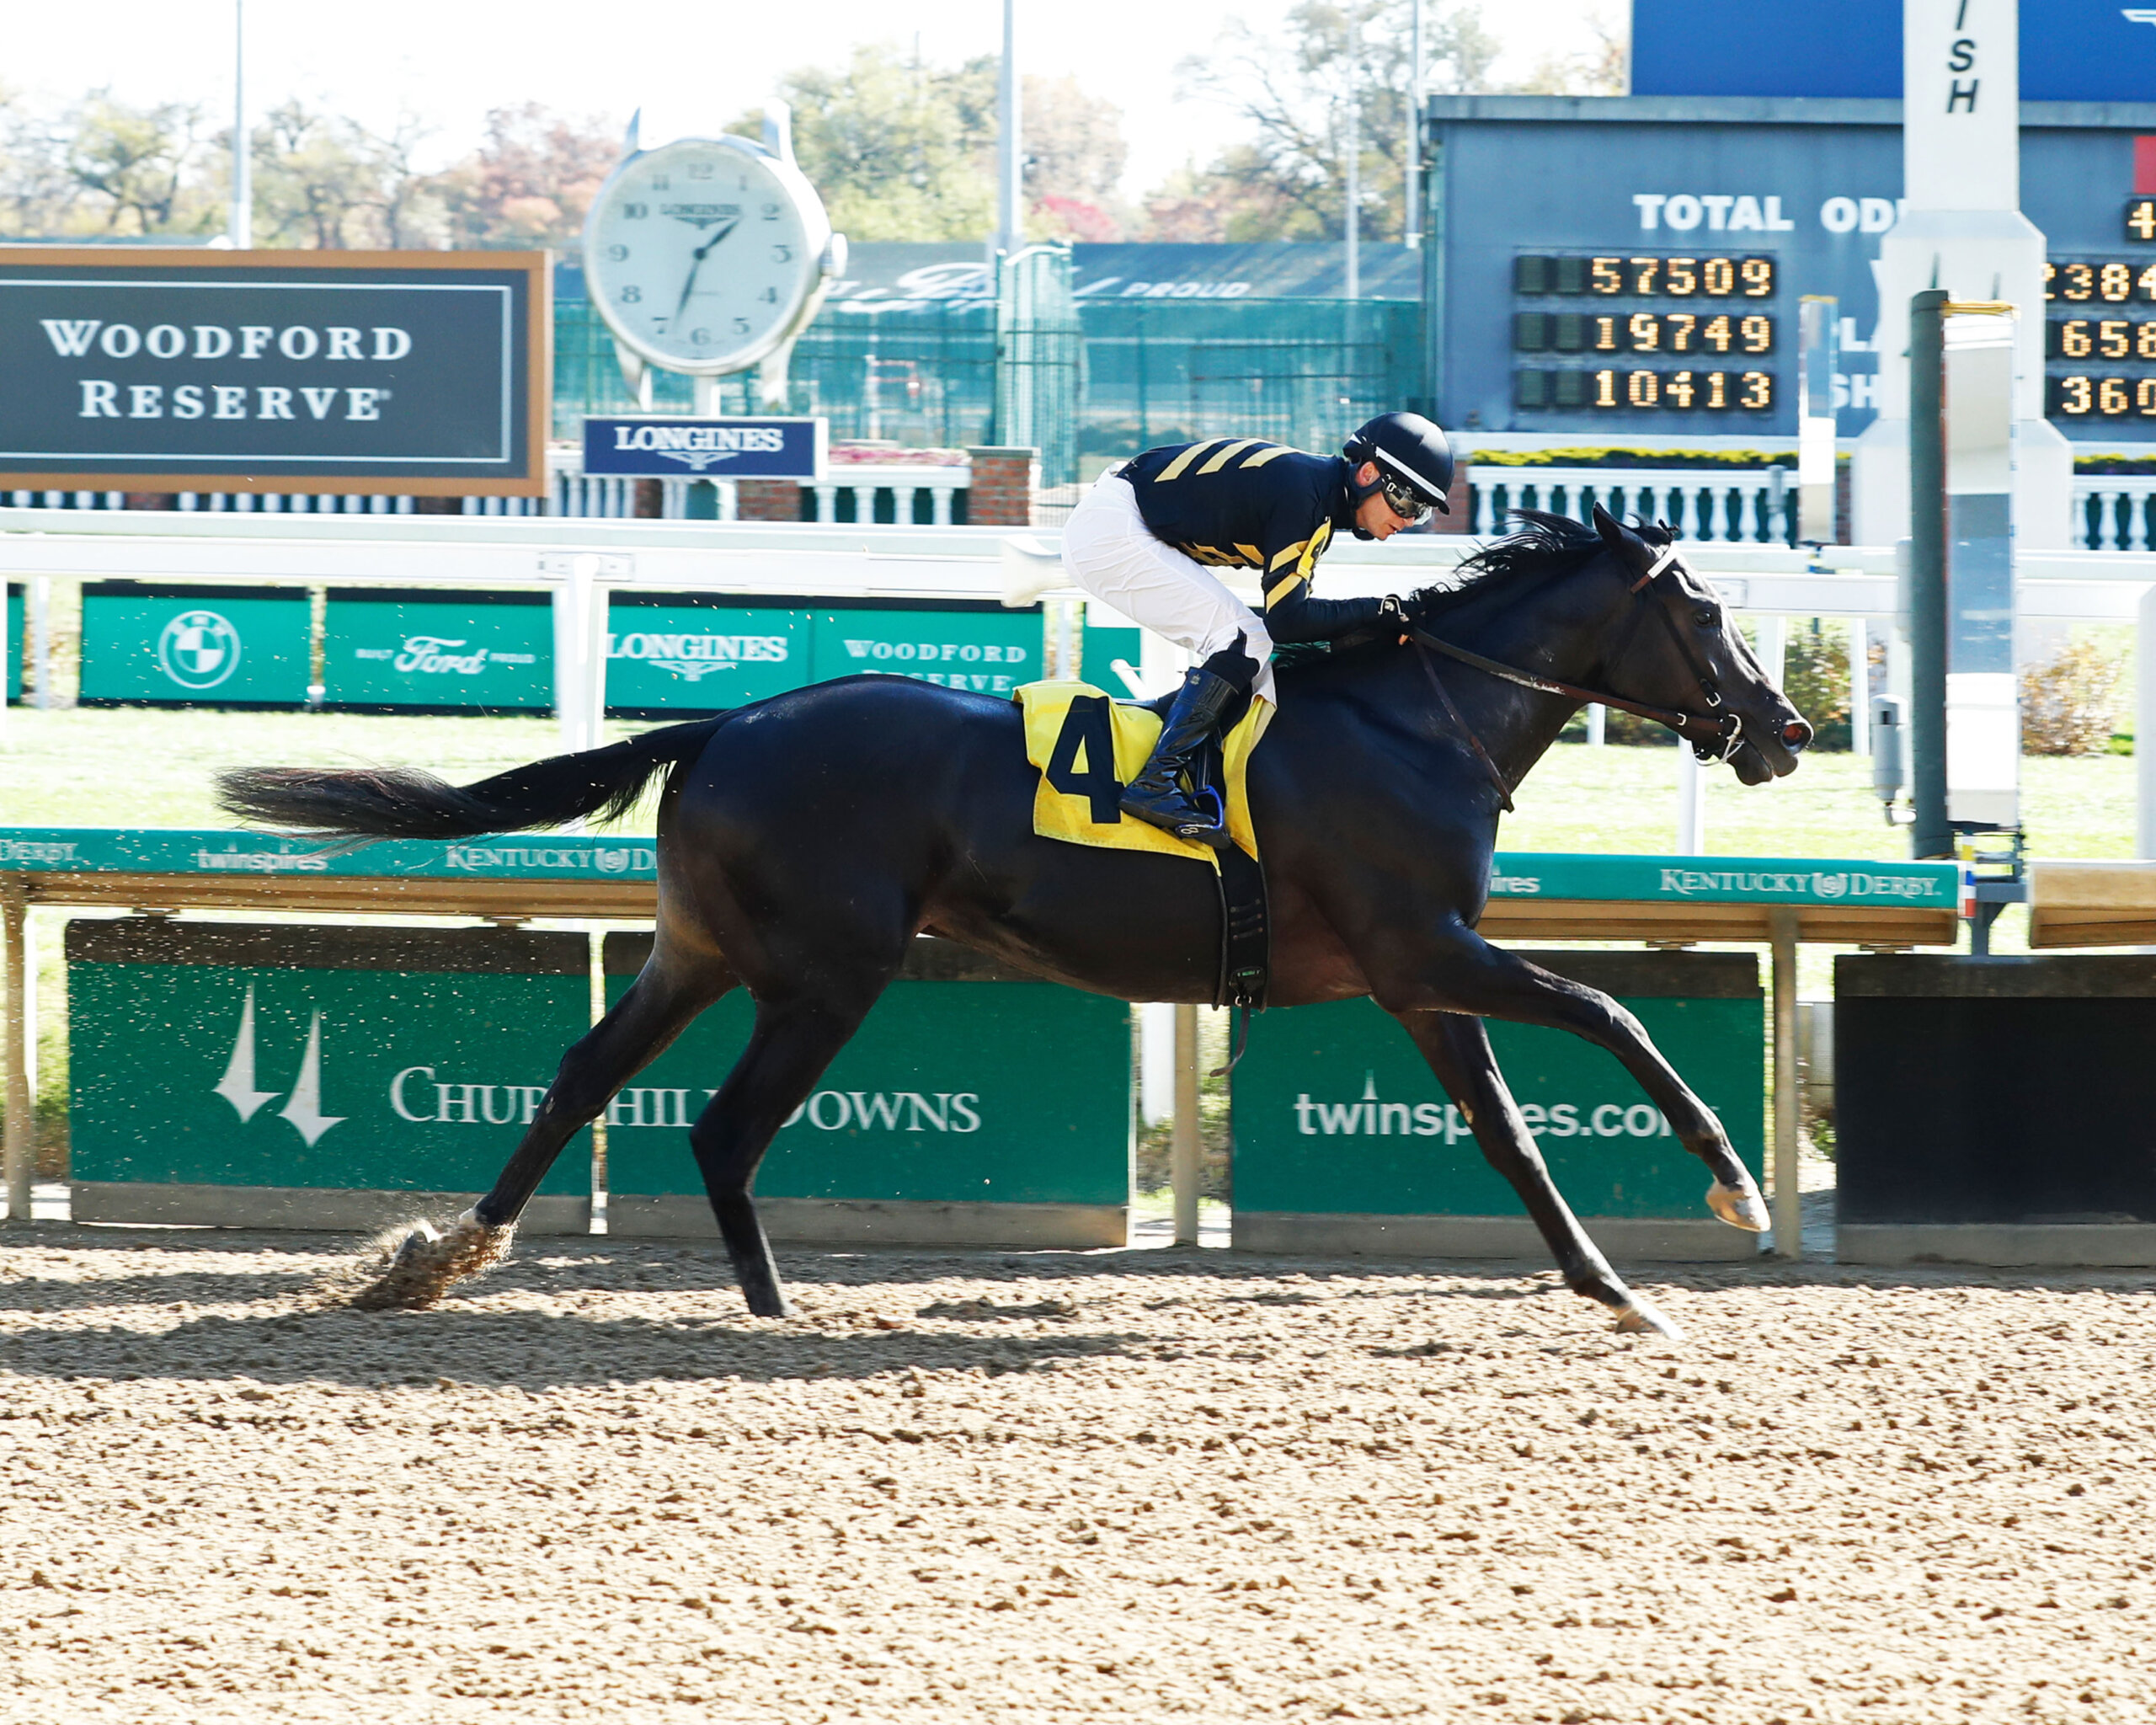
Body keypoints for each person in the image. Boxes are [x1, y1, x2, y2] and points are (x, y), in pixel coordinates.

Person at [1057, 410, 1455, 846]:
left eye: (1420, 513)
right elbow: (1287, 621)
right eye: (1407, 503)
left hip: (1120, 515)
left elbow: (1295, 621)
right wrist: (1377, 611)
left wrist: (1372, 620)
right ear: (1369, 472)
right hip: (1112, 530)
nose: (1407, 520)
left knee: (1244, 642)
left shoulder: (1317, 495)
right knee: (1242, 638)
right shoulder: (1305, 496)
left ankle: (1189, 772)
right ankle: (1156, 782)